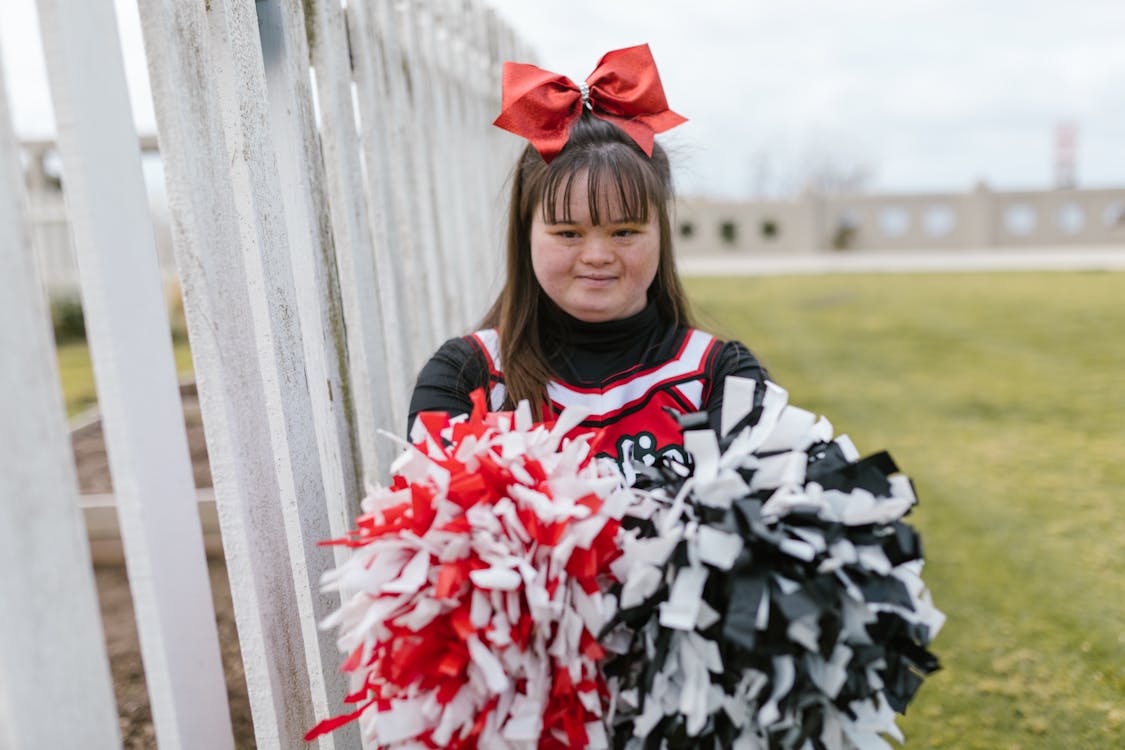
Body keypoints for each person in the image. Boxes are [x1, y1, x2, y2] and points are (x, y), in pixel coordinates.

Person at [408, 44, 769, 466]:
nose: (597, 255)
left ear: (661, 235)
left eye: (624, 231)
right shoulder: (464, 376)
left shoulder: (721, 376)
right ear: (526, 235)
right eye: (567, 232)